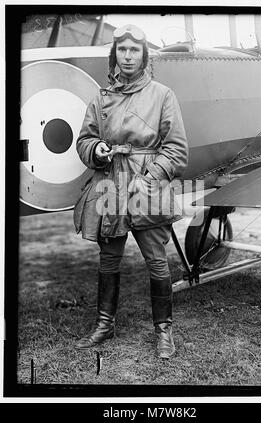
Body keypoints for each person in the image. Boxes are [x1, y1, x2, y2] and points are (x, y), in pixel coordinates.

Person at [73, 24, 188, 359]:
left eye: (134, 50)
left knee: (156, 260)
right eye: (121, 50)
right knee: (108, 258)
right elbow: (84, 140)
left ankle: (164, 332)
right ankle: (104, 324)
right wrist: (96, 150)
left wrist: (149, 177)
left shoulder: (162, 95)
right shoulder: (102, 97)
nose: (127, 56)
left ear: (144, 55)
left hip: (146, 184)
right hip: (110, 181)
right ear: (115, 54)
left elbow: (177, 149)